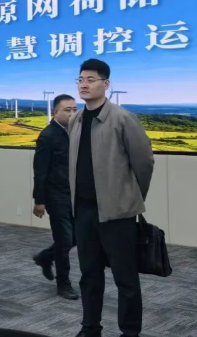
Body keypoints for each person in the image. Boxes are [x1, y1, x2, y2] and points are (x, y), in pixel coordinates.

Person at [70, 59, 154, 337]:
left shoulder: (123, 119)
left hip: (117, 213)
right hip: (84, 212)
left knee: (125, 278)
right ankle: (90, 327)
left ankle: (130, 332)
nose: (84, 84)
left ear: (106, 84)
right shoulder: (76, 119)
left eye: (91, 79)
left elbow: (144, 163)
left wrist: (130, 198)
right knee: (89, 275)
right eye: (80, 79)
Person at [32, 94, 79, 300]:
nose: (72, 114)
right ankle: (63, 284)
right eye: (67, 110)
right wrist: (39, 200)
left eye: (75, 109)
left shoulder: (75, 132)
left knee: (77, 237)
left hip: (74, 194)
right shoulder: (48, 136)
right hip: (55, 195)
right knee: (64, 240)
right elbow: (40, 171)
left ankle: (45, 257)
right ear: (55, 112)